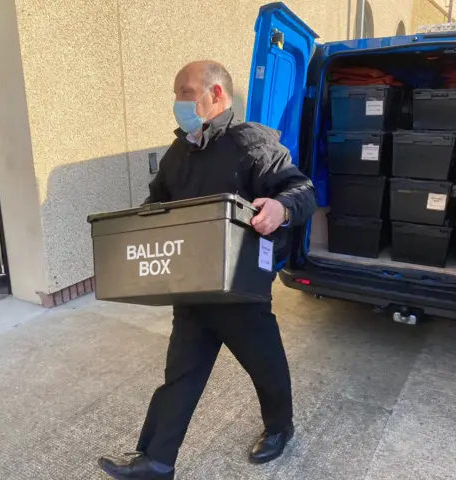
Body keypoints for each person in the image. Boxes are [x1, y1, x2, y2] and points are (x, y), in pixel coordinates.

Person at [98, 60, 317, 479]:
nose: (177, 101)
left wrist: (281, 207)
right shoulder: (178, 153)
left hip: (240, 289)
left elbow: (302, 189)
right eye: (176, 93)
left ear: (215, 94)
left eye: (184, 91)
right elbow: (155, 204)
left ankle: (279, 427)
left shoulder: (253, 143)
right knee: (180, 376)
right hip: (192, 286)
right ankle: (156, 462)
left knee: (265, 365)